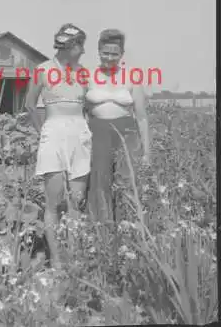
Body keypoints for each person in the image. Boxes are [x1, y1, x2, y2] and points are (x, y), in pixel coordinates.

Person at [25, 23, 92, 269]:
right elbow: (30, 105)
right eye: (80, 46)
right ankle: (57, 263)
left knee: (77, 200)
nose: (83, 51)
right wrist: (43, 132)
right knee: (53, 202)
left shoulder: (85, 73)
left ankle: (74, 259)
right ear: (69, 46)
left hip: (80, 133)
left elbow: (90, 107)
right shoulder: (42, 70)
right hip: (52, 131)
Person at [85, 29, 150, 224]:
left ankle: (128, 229)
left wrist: (147, 153)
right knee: (99, 183)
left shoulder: (132, 77)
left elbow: (142, 118)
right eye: (106, 52)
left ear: (121, 54)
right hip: (97, 134)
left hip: (127, 134)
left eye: (115, 53)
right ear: (98, 51)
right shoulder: (87, 76)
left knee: (126, 182)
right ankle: (101, 232)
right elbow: (80, 112)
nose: (110, 58)